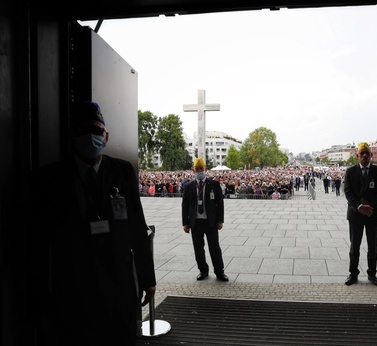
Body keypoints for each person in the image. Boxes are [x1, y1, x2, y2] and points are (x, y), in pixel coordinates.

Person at [27, 102, 157, 346]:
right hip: (73, 288)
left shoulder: (122, 171)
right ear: (71, 136)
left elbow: (137, 227)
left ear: (106, 136)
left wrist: (148, 279)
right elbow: (37, 246)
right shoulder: (49, 179)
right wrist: (39, 302)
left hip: (119, 284)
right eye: (82, 130)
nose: (90, 137)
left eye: (96, 131)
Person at [343, 142, 377, 286]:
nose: (364, 156)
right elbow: (348, 192)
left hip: (373, 215)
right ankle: (353, 274)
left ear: (371, 155)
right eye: (362, 154)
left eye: (367, 153)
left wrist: (369, 207)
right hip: (355, 215)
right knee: (354, 246)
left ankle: (372, 274)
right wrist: (360, 206)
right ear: (357, 156)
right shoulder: (350, 171)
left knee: (372, 246)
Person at [182, 158, 228, 282]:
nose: (199, 171)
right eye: (197, 169)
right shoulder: (189, 186)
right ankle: (203, 270)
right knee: (198, 248)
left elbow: (220, 204)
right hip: (196, 222)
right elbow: (185, 205)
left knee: (214, 248)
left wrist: (220, 220)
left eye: (201, 169)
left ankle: (219, 271)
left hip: (210, 222)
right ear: (193, 171)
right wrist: (185, 223)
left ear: (205, 170)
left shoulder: (214, 184)